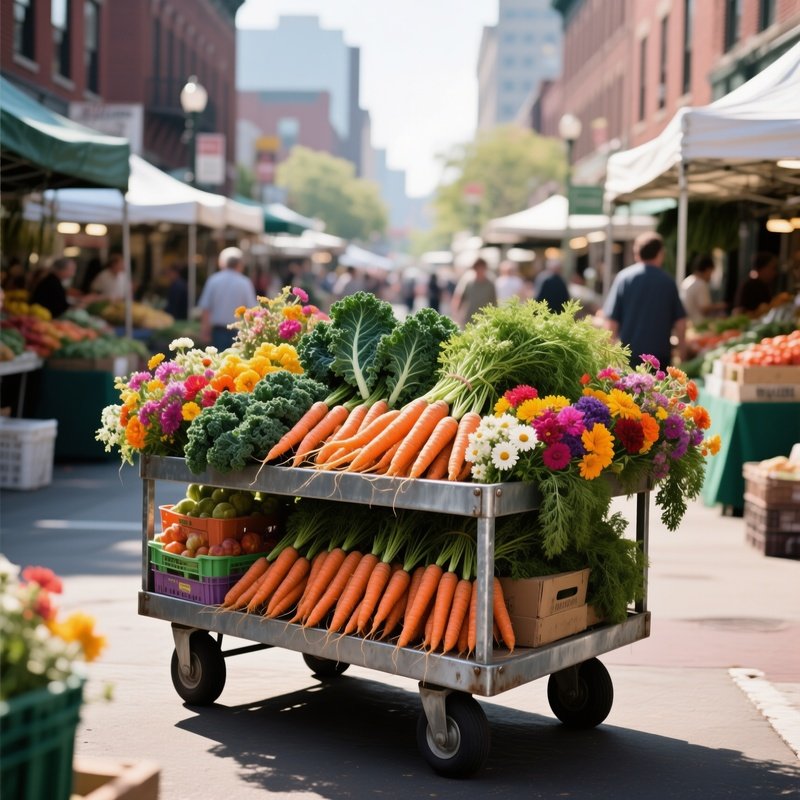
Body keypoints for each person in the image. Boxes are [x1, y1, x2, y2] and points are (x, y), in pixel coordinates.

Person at [602, 231, 687, 369]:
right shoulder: (667, 282)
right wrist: (682, 354)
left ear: (637, 253)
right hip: (659, 359)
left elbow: (611, 322)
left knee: (628, 390)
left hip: (628, 357)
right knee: (659, 391)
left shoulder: (623, 278)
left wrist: (608, 358)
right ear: (660, 254)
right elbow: (681, 322)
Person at [198, 247, 257, 351]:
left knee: (219, 363)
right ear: (240, 264)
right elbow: (252, 309)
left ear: (222, 263)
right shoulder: (245, 282)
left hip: (218, 331)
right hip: (239, 332)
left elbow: (206, 308)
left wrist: (204, 331)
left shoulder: (213, 280)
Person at [680, 255, 726, 325]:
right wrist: (720, 306)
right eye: (711, 272)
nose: (711, 276)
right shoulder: (700, 284)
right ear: (707, 270)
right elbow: (704, 308)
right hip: (698, 325)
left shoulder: (687, 280)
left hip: (687, 323)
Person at [451, 258, 497, 327]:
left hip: (485, 319)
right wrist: (455, 314)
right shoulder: (468, 282)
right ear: (474, 269)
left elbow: (494, 301)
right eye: (478, 268)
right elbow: (458, 297)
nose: (480, 271)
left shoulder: (490, 284)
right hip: (469, 318)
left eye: (482, 268)